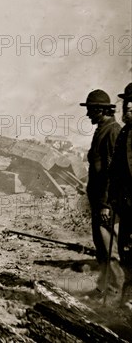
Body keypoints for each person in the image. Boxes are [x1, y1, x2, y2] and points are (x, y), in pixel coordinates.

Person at [79, 89, 123, 303]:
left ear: (99, 109)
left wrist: (106, 204)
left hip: (107, 202)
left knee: (109, 249)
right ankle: (103, 288)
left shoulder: (113, 131)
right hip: (98, 201)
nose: (87, 115)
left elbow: (113, 172)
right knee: (101, 247)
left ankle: (114, 293)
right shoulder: (101, 129)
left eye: (90, 110)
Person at [109, 83, 132, 312]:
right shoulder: (124, 133)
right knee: (126, 250)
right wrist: (114, 198)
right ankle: (128, 299)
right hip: (128, 206)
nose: (130, 106)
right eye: (127, 103)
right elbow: (115, 170)